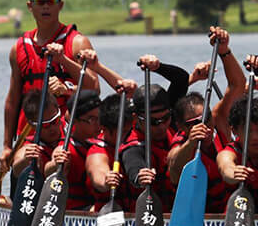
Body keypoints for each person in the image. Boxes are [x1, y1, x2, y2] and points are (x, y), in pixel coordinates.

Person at [1, 0, 97, 176]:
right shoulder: (18, 48)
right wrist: (6, 146)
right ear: (30, 6)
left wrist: (66, 84)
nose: (45, 7)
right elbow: (12, 100)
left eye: (51, 1)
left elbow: (94, 89)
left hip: (65, 135)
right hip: (29, 136)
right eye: (40, 2)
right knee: (24, 181)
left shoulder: (78, 43)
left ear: (60, 5)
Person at [120, 82, 182, 212]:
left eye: (165, 118)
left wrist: (157, 67)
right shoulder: (133, 147)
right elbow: (134, 167)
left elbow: (180, 78)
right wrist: (140, 176)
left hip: (174, 213)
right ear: (136, 118)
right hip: (147, 219)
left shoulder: (172, 125)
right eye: (153, 122)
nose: (161, 127)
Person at [46, 89, 109, 211]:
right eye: (91, 119)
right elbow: (48, 171)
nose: (98, 124)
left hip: (100, 208)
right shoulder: (65, 149)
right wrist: (54, 164)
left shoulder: (105, 140)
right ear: (75, 120)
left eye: (99, 117)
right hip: (74, 216)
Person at [10, 90, 65, 180]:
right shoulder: (30, 147)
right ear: (32, 125)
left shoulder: (72, 128)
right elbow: (16, 169)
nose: (52, 128)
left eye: (54, 120)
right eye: (45, 125)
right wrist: (25, 160)